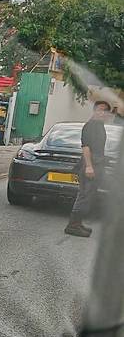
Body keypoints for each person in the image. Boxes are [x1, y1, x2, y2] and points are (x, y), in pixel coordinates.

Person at [65, 101, 112, 238]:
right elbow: (86, 147)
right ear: (94, 111)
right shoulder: (90, 126)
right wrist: (89, 166)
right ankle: (72, 226)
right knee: (84, 196)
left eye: (105, 111)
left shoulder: (99, 125)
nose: (102, 113)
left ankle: (77, 223)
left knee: (86, 195)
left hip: (97, 164)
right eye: (99, 110)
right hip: (90, 165)